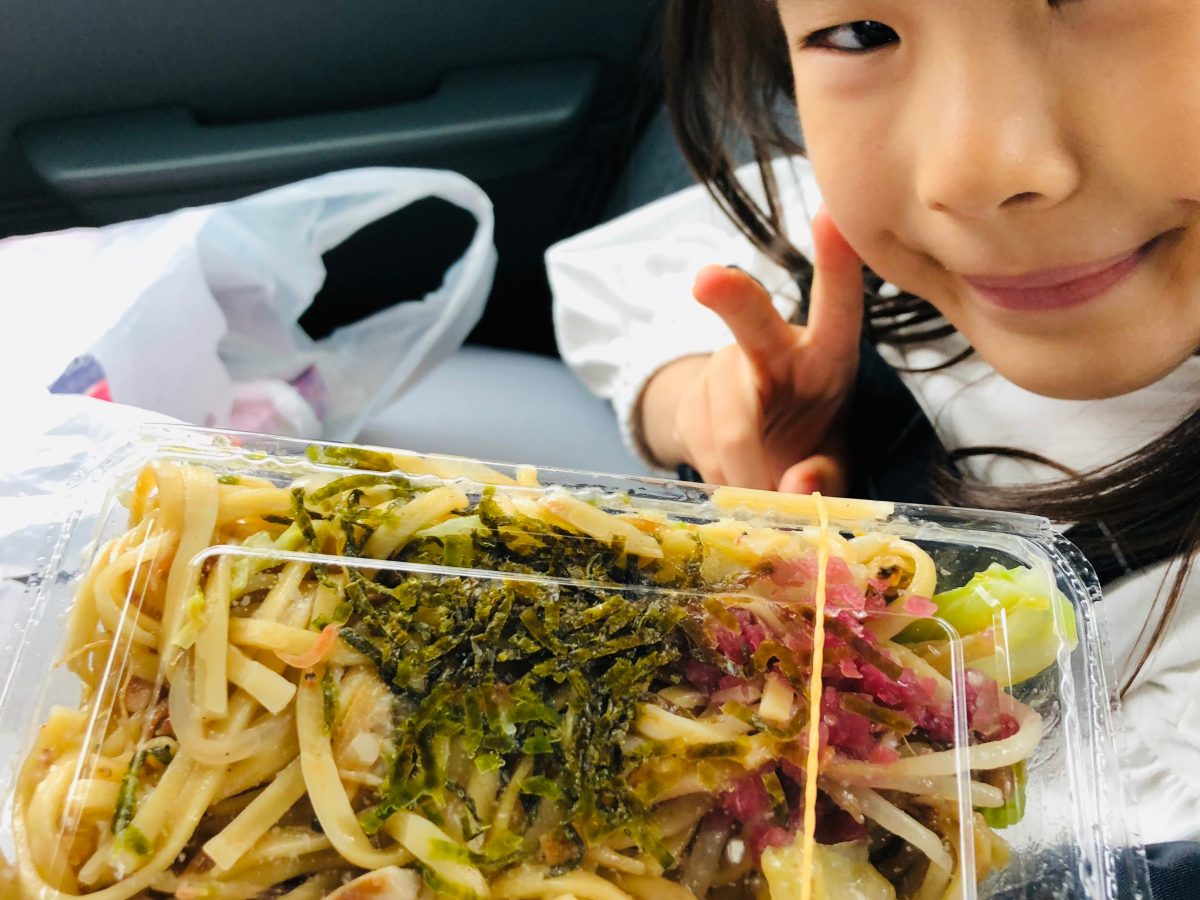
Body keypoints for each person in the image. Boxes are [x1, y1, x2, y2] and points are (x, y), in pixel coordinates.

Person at [547, 0, 1200, 879]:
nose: (970, 170)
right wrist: (709, 401)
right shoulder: (849, 261)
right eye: (861, 34)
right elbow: (633, 282)